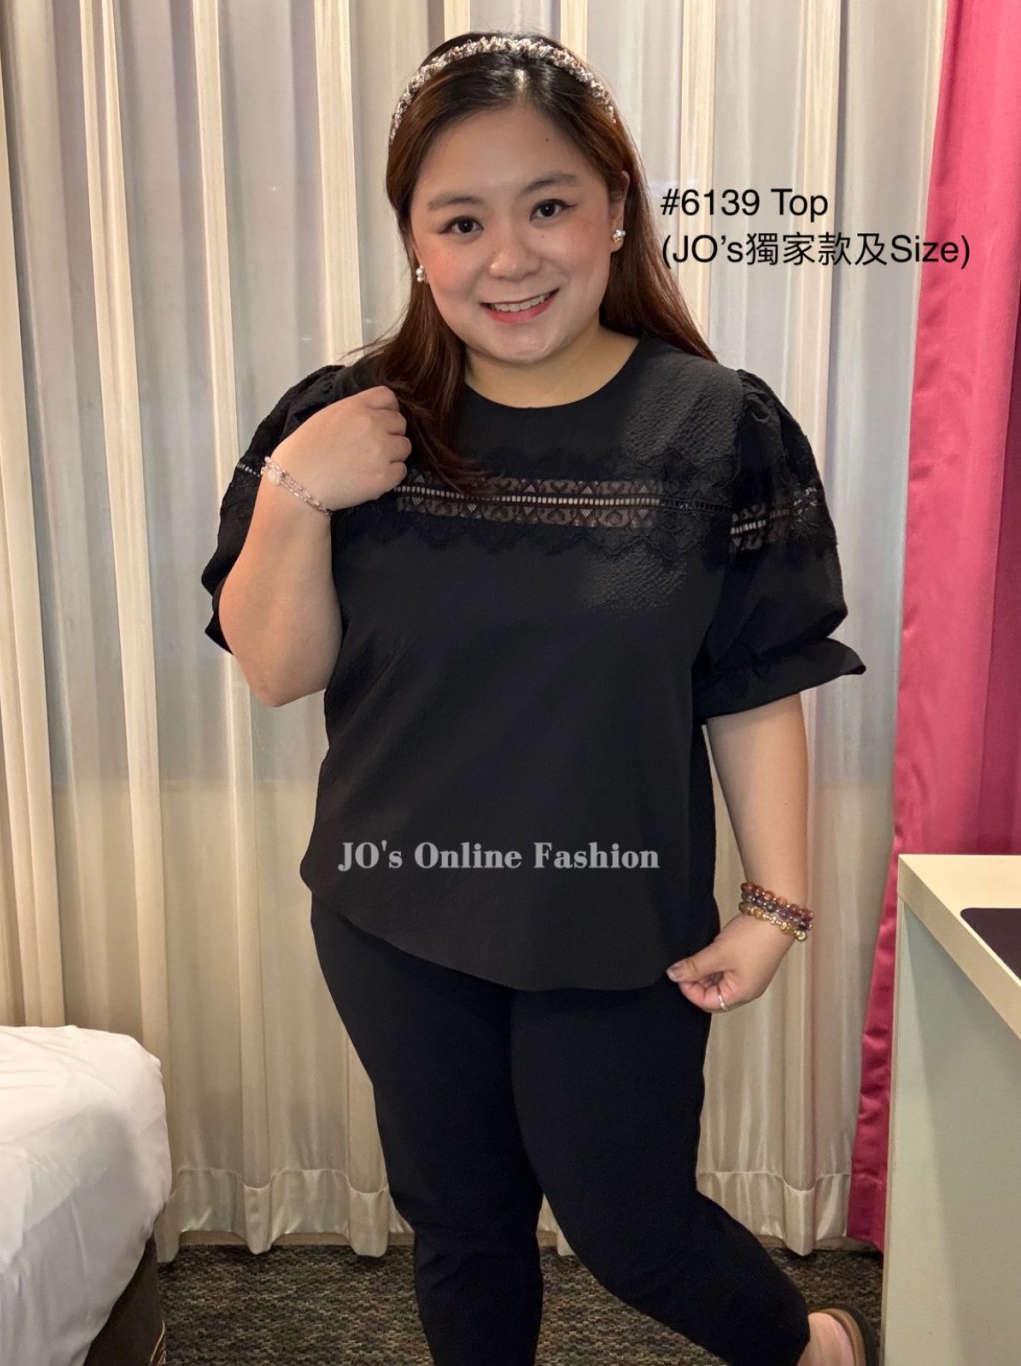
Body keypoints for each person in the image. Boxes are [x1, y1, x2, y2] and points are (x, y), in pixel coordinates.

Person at [200, 29, 875, 1366]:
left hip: (614, 917)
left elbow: (756, 678)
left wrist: (777, 906)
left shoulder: (720, 428)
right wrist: (296, 490)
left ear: (615, 209)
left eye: (548, 205)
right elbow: (278, 669)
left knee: (633, 1228)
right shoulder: (344, 419)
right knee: (461, 1227)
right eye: (462, 220)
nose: (509, 257)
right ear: (416, 241)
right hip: (395, 907)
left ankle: (813, 1349)